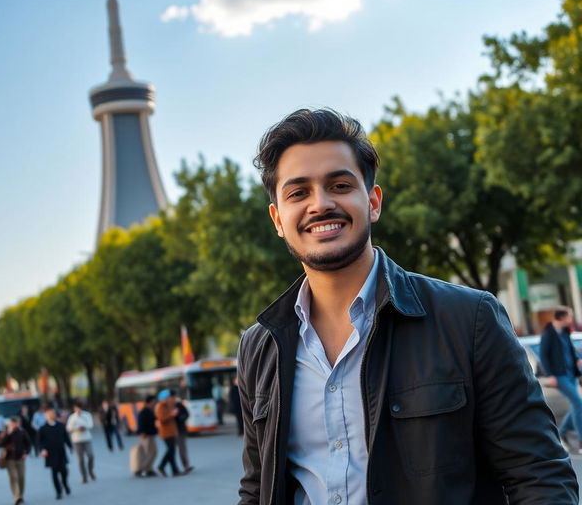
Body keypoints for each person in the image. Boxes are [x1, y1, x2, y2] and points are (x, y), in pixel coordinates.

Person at [237, 108, 579, 505]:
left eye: (340, 184)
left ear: (373, 202)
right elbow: (256, 487)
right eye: (298, 192)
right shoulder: (258, 347)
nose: (320, 204)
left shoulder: (469, 319)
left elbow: (539, 475)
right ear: (278, 219)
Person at [540, 305, 582, 453]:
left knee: (576, 405)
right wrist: (550, 375)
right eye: (569, 316)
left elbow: (569, 349)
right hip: (559, 376)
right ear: (561, 318)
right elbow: (543, 355)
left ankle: (561, 434)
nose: (571, 319)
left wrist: (577, 359)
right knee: (579, 403)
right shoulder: (548, 334)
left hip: (571, 373)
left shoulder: (565, 332)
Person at [38, 407, 72, 500]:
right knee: (54, 473)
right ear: (45, 416)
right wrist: (42, 450)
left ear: (54, 415)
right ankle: (58, 492)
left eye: (51, 414)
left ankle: (65, 484)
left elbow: (66, 437)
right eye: (48, 414)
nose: (50, 416)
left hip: (61, 451)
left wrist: (70, 446)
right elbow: (40, 442)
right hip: (50, 453)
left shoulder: (60, 426)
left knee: (64, 471)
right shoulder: (43, 428)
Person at [1, 416, 31, 505]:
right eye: (12, 423)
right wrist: (9, 433)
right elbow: (1, 443)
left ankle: (21, 495)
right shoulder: (7, 432)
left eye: (15, 423)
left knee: (21, 477)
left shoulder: (22, 431)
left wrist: (26, 453)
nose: (14, 425)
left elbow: (28, 444)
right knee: (13, 477)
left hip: (21, 457)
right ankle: (16, 496)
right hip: (10, 458)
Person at [66, 401, 95, 484]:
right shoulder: (72, 417)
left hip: (86, 438)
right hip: (77, 440)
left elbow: (91, 425)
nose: (77, 409)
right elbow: (68, 428)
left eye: (79, 407)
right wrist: (76, 428)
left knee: (91, 455)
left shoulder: (86, 415)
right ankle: (84, 476)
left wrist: (84, 427)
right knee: (80, 459)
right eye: (76, 408)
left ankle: (90, 470)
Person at [155, 389, 181, 477]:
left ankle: (174, 470)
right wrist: (171, 415)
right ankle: (162, 466)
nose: (170, 399)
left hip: (171, 431)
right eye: (168, 397)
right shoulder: (160, 407)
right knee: (171, 451)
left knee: (172, 451)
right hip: (165, 432)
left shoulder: (167, 405)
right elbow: (162, 419)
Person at [170, 389, 193, 473]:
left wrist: (180, 417)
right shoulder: (166, 406)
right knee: (173, 450)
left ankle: (186, 465)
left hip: (181, 429)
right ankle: (174, 467)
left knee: (182, 448)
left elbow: (186, 413)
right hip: (172, 431)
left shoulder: (178, 405)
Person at [135, 395, 158, 477]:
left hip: (151, 434)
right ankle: (141, 469)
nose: (155, 403)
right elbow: (140, 422)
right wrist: (141, 432)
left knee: (153, 452)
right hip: (146, 435)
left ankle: (149, 469)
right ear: (150, 402)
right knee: (150, 452)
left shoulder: (150, 410)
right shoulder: (144, 411)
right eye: (154, 401)